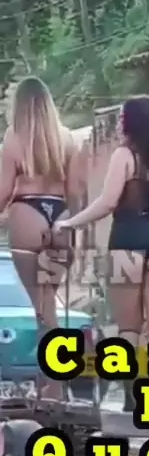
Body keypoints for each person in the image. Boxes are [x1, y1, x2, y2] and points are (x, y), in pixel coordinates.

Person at [54, 95, 149, 409]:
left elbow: (107, 202)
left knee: (129, 328)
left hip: (127, 242)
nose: (118, 124)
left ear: (133, 123)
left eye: (122, 118)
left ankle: (133, 398)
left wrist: (70, 223)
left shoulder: (125, 155)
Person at [0, 76, 80, 400]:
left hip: (28, 215)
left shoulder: (14, 137)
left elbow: (3, 191)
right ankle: (54, 381)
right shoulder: (68, 139)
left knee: (42, 309)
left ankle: (54, 384)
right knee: (50, 305)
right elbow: (76, 192)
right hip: (61, 216)